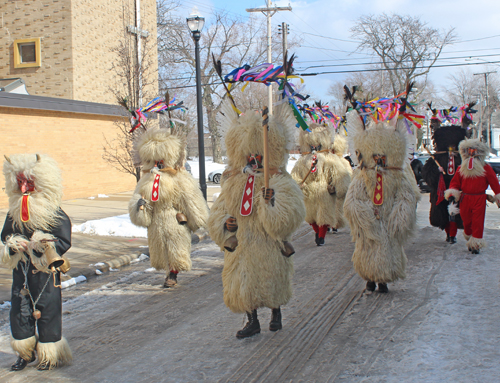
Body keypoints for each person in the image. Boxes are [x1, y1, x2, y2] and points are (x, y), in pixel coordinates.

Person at [207, 101, 305, 338]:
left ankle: (276, 313)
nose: (253, 159)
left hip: (269, 243)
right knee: (244, 283)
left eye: (258, 154)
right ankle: (251, 320)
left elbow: (292, 214)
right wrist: (225, 224)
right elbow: (220, 210)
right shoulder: (233, 181)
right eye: (249, 154)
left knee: (272, 278)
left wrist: (271, 204)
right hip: (243, 244)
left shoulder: (280, 180)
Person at [1, 153, 72, 370]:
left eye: (29, 183)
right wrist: (14, 244)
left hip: (46, 273)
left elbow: (63, 240)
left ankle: (49, 355)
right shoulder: (14, 212)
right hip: (21, 272)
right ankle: (25, 353)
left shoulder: (55, 213)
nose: (23, 188)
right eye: (20, 182)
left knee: (48, 312)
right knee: (20, 312)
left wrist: (42, 246)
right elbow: (5, 235)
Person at [343, 109, 421, 293]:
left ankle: (383, 279)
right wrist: (366, 216)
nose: (379, 160)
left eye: (382, 156)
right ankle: (369, 277)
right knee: (368, 248)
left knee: (388, 249)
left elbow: (407, 197)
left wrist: (398, 217)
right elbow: (352, 200)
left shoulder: (398, 177)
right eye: (376, 156)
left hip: (388, 221)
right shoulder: (362, 177)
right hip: (371, 223)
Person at [129, 128, 209, 287]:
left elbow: (189, 197)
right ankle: (168, 271)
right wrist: (140, 206)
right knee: (161, 251)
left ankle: (173, 274)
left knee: (176, 250)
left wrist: (196, 218)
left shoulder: (179, 177)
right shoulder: (146, 179)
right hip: (156, 222)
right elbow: (138, 197)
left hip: (174, 220)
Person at [291, 124, 352, 245]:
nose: (314, 147)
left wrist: (337, 187)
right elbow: (295, 175)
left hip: (324, 192)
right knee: (310, 216)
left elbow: (339, 173)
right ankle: (316, 231)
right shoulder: (303, 160)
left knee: (323, 216)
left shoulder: (330, 158)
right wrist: (296, 185)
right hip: (308, 192)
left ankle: (321, 236)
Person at [445, 139, 500, 254]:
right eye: (469, 151)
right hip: (465, 198)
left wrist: (498, 195)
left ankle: (476, 245)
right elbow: (455, 182)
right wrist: (452, 193)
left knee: (478, 222)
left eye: (474, 152)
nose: (472, 155)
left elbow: (494, 183)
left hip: (479, 198)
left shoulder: (486, 168)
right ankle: (471, 237)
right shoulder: (461, 168)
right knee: (467, 222)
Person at [421, 116, 467, 243]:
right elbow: (426, 173)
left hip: (457, 189)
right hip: (441, 190)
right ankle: (449, 234)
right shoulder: (436, 158)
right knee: (444, 213)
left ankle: (452, 235)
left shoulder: (462, 158)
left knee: (455, 212)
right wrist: (437, 172)